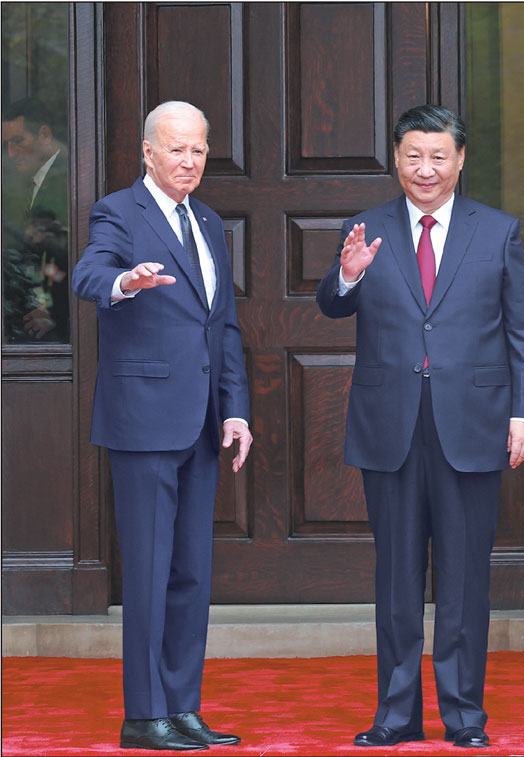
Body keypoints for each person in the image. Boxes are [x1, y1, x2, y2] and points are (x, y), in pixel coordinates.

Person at [317, 105, 524, 750]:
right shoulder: (367, 227)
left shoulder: (496, 231)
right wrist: (348, 274)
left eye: (438, 156)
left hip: (472, 424)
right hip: (390, 424)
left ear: (460, 160)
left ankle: (465, 717)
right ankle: (395, 715)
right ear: (396, 157)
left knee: (466, 577)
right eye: (413, 155)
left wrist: (523, 414)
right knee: (396, 578)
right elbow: (333, 306)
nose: (426, 168)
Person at [71, 101, 253, 751]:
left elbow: (223, 325)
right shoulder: (119, 211)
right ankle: (143, 714)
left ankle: (183, 706)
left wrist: (235, 409)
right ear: (147, 151)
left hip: (202, 422)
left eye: (199, 150)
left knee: (190, 574)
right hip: (144, 420)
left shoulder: (208, 221)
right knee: (148, 573)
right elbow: (88, 272)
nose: (190, 161)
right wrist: (124, 280)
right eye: (177, 149)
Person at [2, 96, 69, 342]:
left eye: (18, 141)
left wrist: (56, 312)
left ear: (44, 134)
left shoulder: (67, 177)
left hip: (63, 329)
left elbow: (78, 254)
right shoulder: (39, 178)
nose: (11, 153)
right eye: (6, 144)